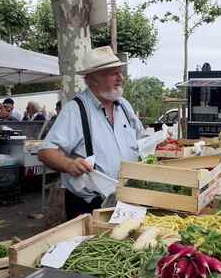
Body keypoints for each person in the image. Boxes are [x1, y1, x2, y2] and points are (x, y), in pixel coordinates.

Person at [38, 46, 144, 219]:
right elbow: (46, 152)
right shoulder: (75, 110)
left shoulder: (124, 105)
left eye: (120, 72)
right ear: (92, 79)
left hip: (128, 199)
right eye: (113, 73)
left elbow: (142, 139)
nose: (120, 78)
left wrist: (159, 143)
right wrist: (69, 165)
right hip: (90, 205)